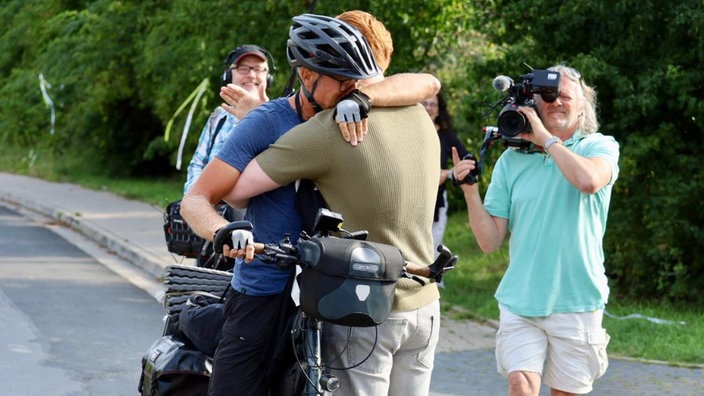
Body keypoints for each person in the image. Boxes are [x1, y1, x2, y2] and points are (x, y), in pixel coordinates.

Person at [180, 13, 438, 395]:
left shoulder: (358, 112)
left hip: (332, 292)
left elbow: (426, 82)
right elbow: (198, 199)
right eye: (346, 83)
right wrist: (223, 230)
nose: (354, 90)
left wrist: (365, 97)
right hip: (265, 289)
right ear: (306, 76)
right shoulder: (266, 122)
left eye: (359, 82)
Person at [451, 65, 619, 396]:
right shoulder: (511, 162)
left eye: (563, 96)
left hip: (577, 299)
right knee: (520, 384)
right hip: (520, 300)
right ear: (533, 105)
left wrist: (546, 139)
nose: (554, 103)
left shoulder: (598, 147)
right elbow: (489, 241)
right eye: (546, 97)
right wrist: (470, 189)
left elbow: (588, 181)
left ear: (582, 105)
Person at [183, 44, 271, 194]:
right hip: (208, 207)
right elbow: (197, 164)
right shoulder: (218, 116)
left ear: (268, 77)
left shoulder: (278, 117)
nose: (251, 75)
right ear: (228, 75)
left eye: (258, 69)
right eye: (243, 68)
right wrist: (197, 198)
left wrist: (260, 119)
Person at [421, 91, 469, 256]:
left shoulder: (446, 135)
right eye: (424, 103)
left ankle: (434, 279)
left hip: (436, 199)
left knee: (433, 244)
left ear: (439, 109)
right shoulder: (407, 131)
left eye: (433, 104)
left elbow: (470, 161)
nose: (428, 108)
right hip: (409, 196)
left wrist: (448, 174)